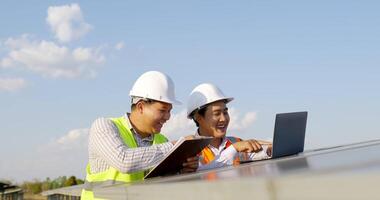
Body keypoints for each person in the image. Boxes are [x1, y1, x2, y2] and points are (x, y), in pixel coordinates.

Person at [81, 71, 198, 199]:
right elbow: (124, 162)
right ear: (141, 107)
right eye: (163, 110)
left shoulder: (162, 140)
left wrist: (181, 170)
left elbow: (157, 183)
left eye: (170, 111)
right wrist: (176, 147)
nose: (168, 117)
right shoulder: (104, 126)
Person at [187, 83, 272, 171]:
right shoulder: (189, 151)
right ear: (199, 118)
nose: (223, 119)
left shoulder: (237, 142)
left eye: (225, 112)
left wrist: (270, 148)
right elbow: (200, 173)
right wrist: (234, 149)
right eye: (217, 114)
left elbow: (262, 152)